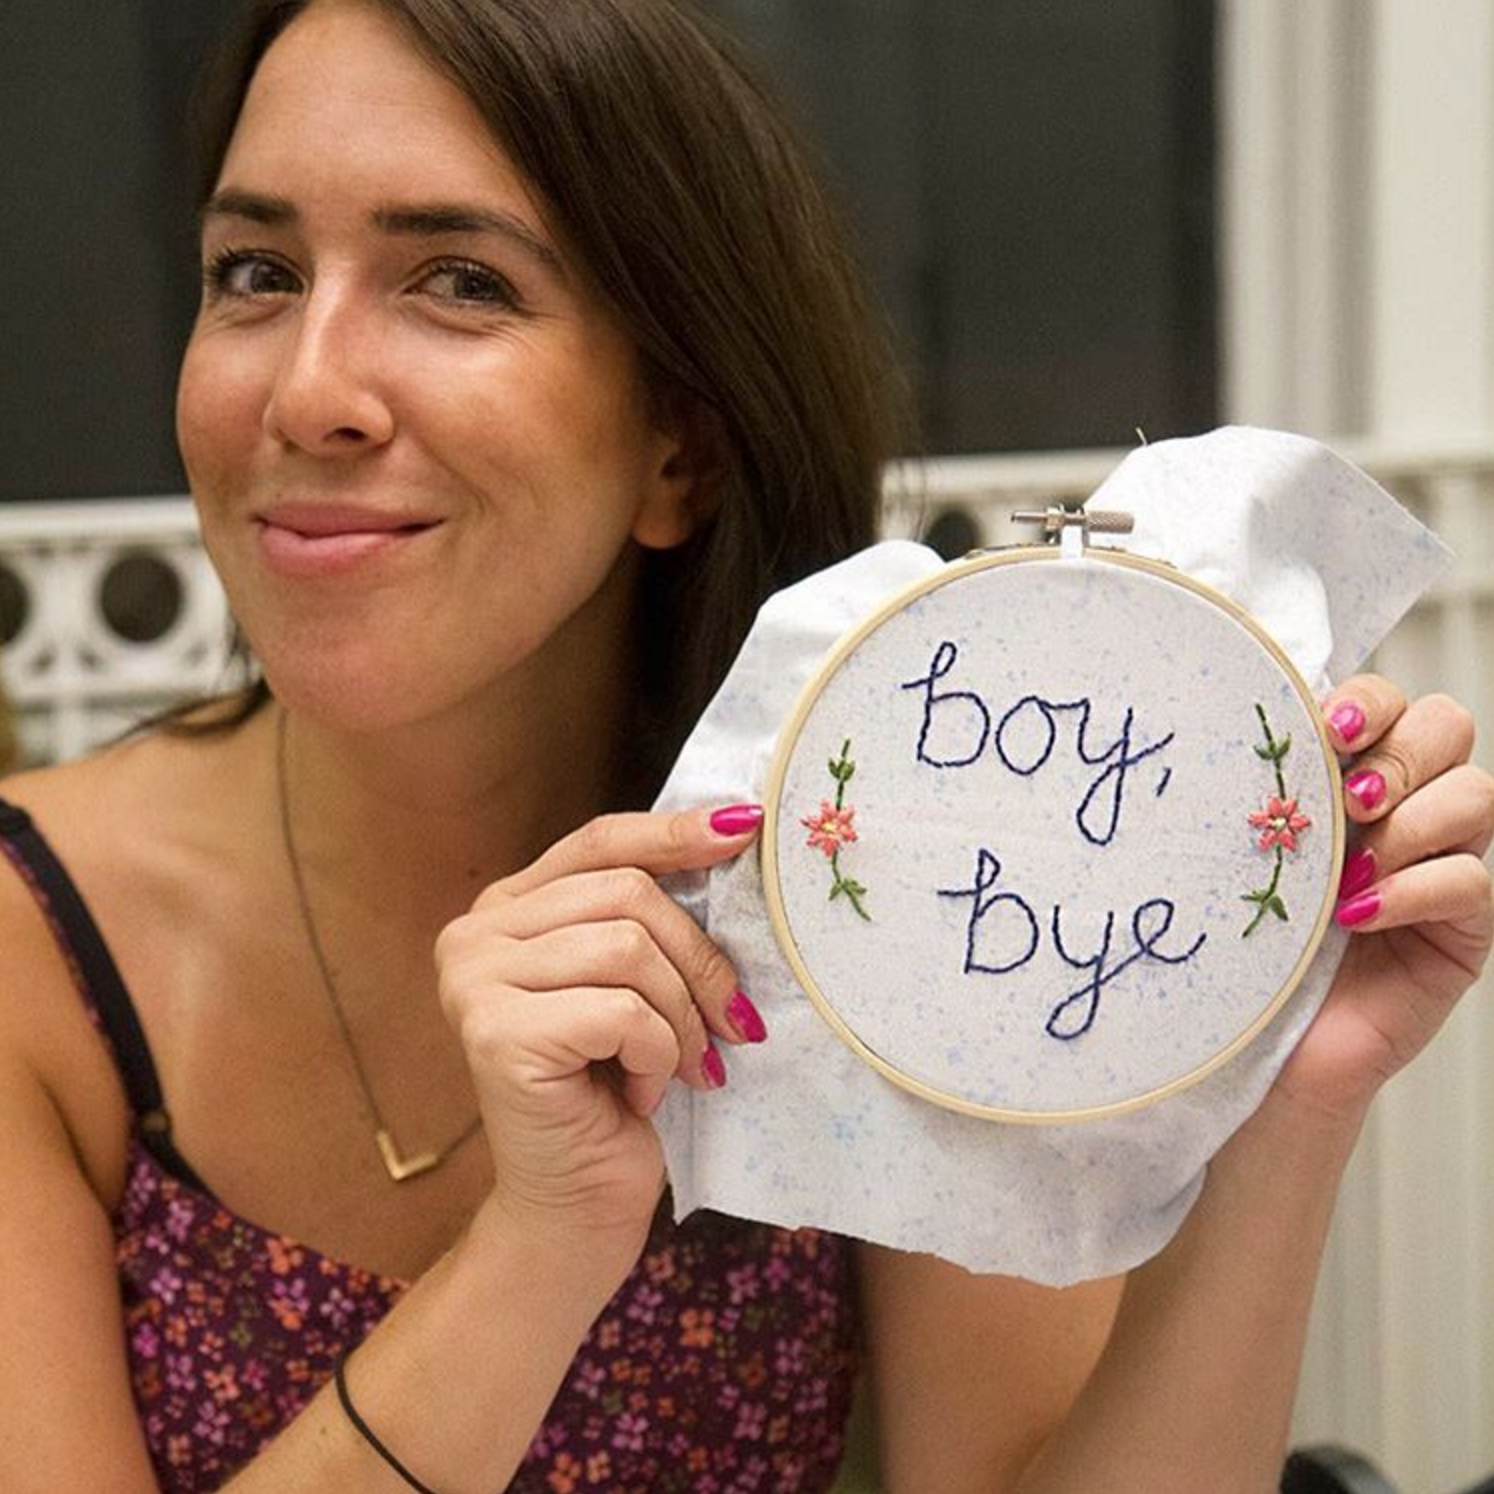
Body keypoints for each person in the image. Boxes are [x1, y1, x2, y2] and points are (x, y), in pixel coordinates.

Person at [0, 1, 1489, 1491]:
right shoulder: (32, 950)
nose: (304, 390)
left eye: (456, 280)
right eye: (254, 272)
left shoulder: (885, 877)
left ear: (681, 448)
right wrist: (538, 1249)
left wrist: (1295, 1101)